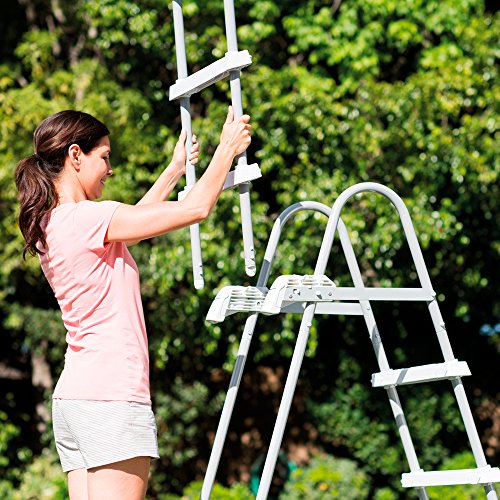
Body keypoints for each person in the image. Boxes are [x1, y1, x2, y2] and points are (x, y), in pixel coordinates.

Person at [15, 108, 252, 500]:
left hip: (75, 400)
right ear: (75, 156)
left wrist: (175, 169)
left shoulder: (51, 224)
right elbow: (195, 210)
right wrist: (225, 150)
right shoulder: (87, 218)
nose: (109, 170)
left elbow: (135, 227)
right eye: (104, 157)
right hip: (111, 396)